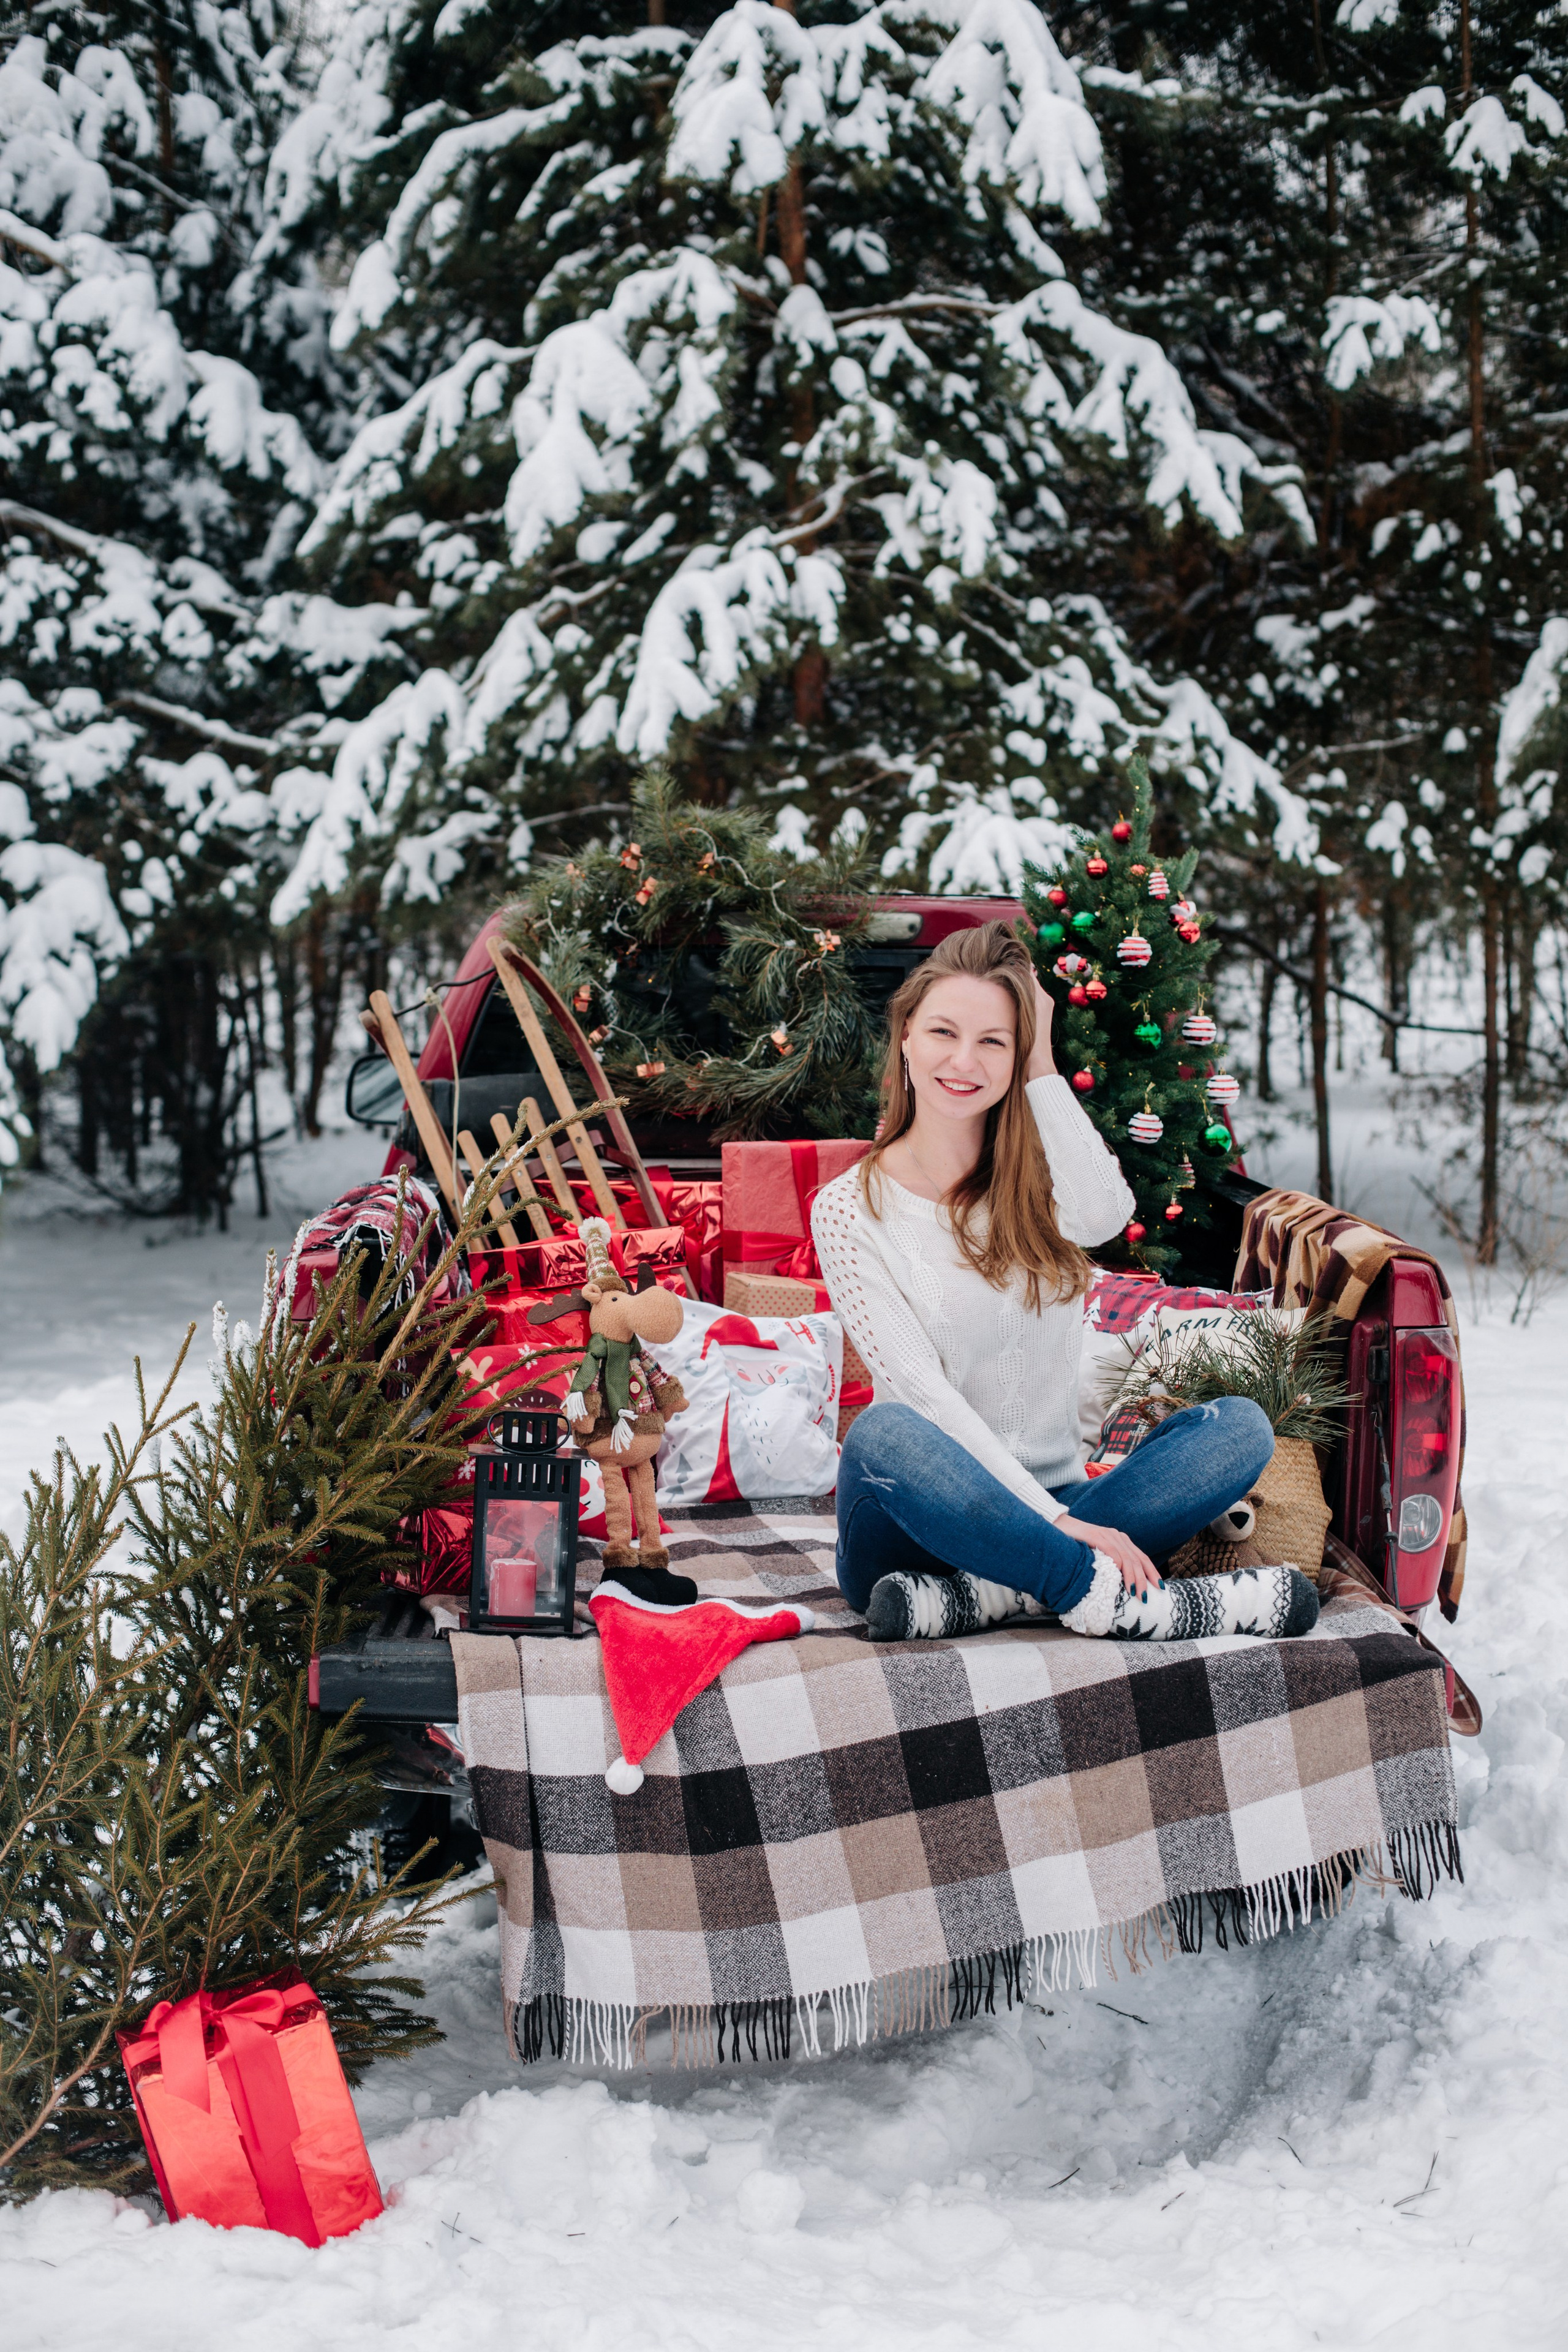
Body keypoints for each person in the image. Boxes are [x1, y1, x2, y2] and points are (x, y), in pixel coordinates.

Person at [809, 921, 1319, 1644]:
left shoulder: (1038, 1185)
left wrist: (1044, 1063)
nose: (963, 1060)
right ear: (905, 1038)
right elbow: (924, 1392)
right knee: (889, 1429)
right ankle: (1098, 1595)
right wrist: (1059, 1528)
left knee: (1237, 1428)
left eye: (994, 1041)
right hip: (918, 1521)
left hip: (1063, 1500)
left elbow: (1108, 1213)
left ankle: (991, 1596)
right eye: (943, 1033)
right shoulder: (848, 1208)